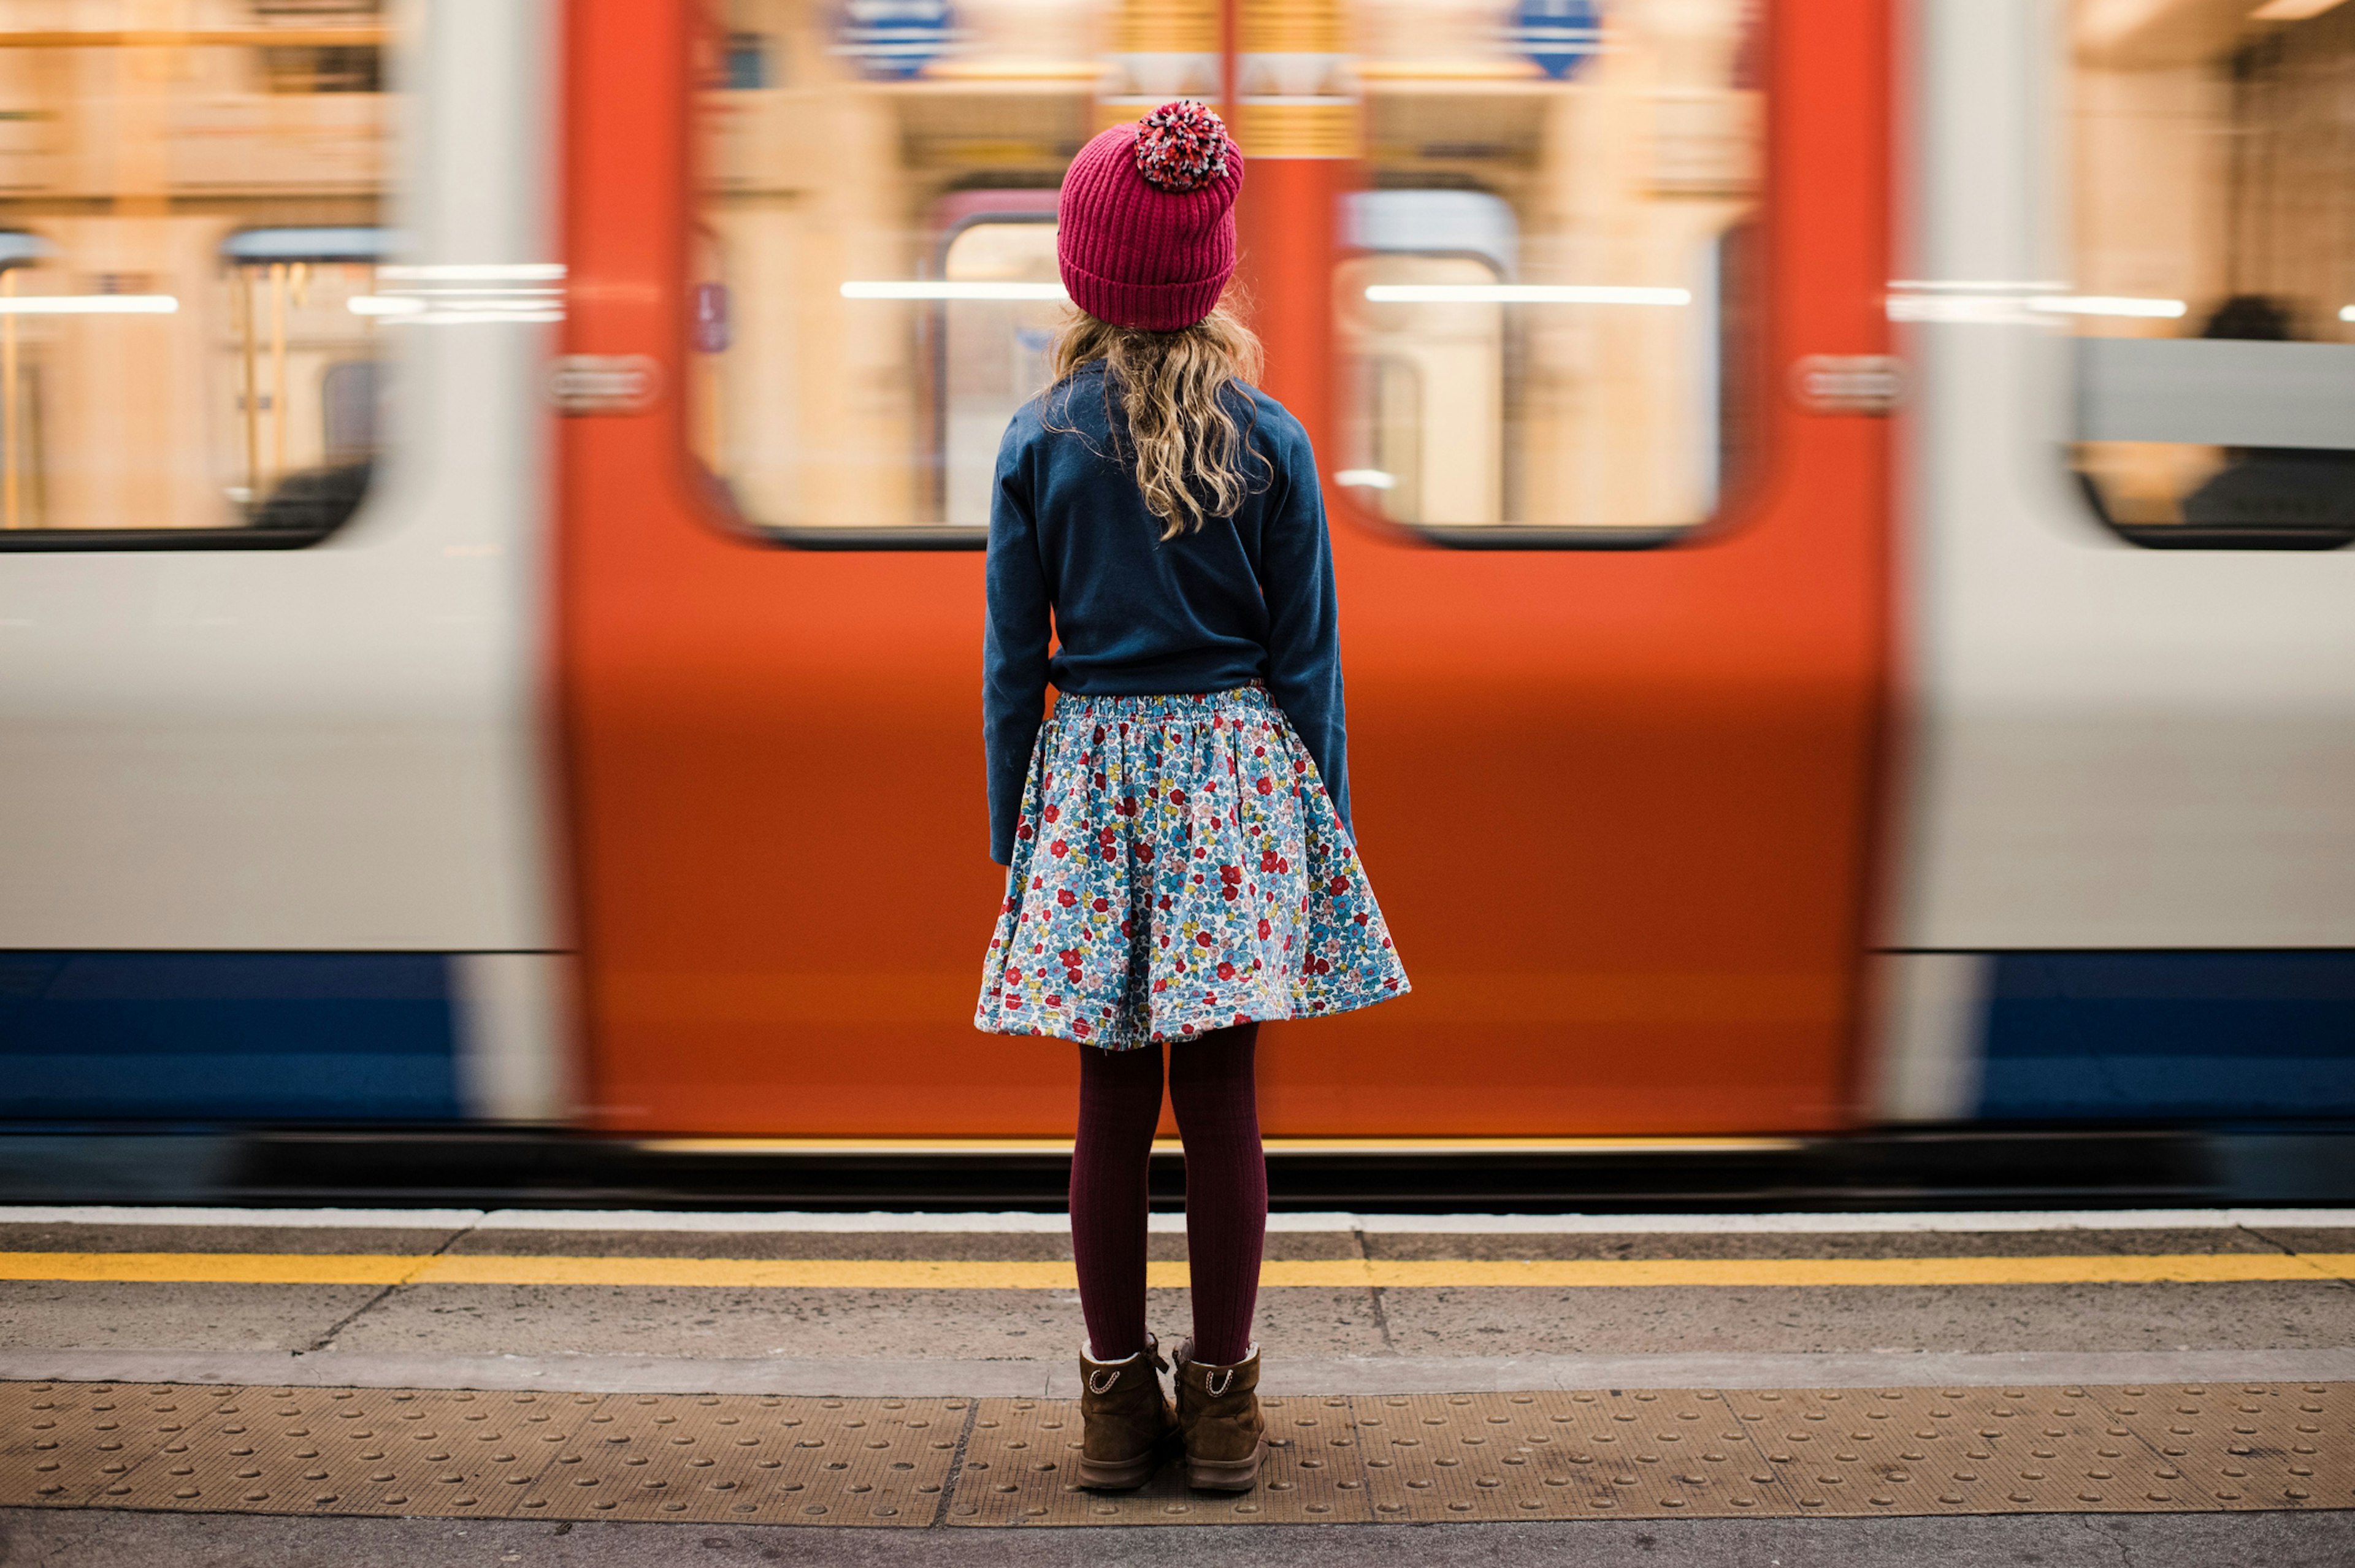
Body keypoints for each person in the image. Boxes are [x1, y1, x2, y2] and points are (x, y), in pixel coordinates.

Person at [973, 100, 1409, 1493]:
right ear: (1211, 276)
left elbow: (1008, 667)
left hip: (1093, 777)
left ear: (1082, 272)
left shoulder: (1038, 444)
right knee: (1224, 1106)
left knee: (1109, 1107)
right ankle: (1222, 1408)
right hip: (1233, 786)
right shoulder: (1271, 441)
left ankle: (1112, 1409)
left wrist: (1015, 839)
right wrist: (1314, 839)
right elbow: (1310, 666)